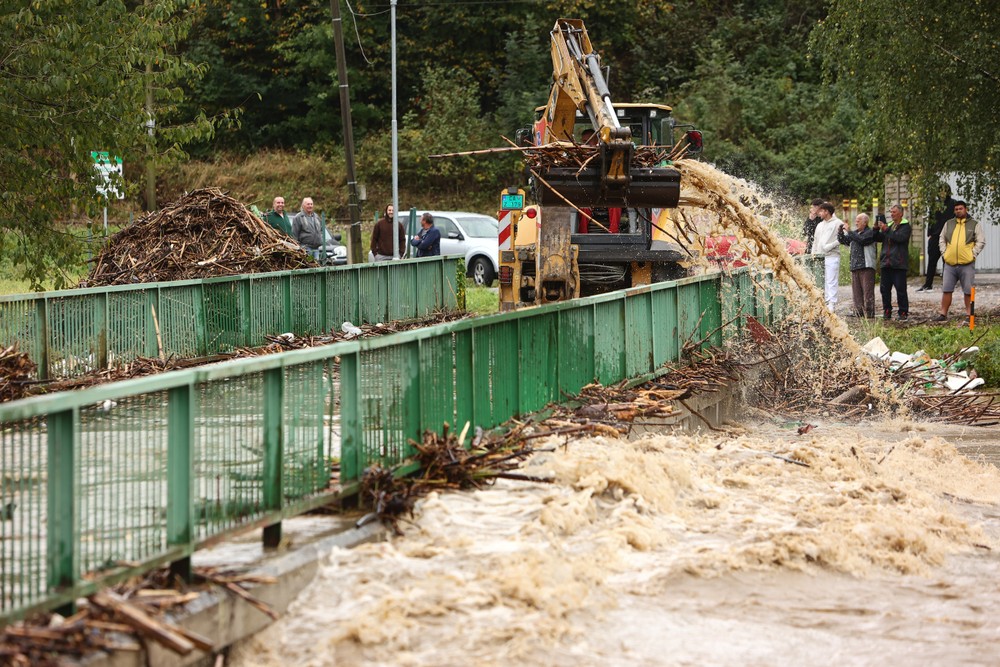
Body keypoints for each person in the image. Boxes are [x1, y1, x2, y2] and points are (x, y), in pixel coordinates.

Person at [936, 200, 986, 322]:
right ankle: (943, 314)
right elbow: (941, 239)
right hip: (950, 263)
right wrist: (944, 253)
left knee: (968, 291)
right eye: (956, 209)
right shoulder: (949, 223)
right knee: (946, 289)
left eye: (961, 208)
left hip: (967, 264)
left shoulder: (974, 224)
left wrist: (972, 254)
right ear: (954, 211)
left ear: (966, 209)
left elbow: (981, 241)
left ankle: (970, 315)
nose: (958, 211)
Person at [873, 204, 911, 321]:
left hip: (899, 263)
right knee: (884, 289)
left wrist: (886, 229)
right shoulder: (889, 226)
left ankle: (903, 312)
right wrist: (875, 229)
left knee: (900, 289)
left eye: (894, 212)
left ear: (901, 213)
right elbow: (878, 238)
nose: (891, 214)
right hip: (886, 262)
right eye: (891, 212)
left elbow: (899, 238)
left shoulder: (905, 226)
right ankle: (887, 310)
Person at [838, 212, 877, 317]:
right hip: (855, 266)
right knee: (857, 292)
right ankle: (858, 312)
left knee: (867, 291)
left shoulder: (870, 233)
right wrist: (840, 232)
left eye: (858, 221)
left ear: (865, 222)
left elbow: (862, 240)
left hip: (866, 266)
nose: (856, 223)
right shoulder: (854, 233)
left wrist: (850, 231)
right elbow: (844, 241)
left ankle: (869, 312)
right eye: (855, 221)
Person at [916, 190, 956, 292]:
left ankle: (947, 284)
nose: (942, 193)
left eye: (944, 191)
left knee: (946, 261)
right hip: (935, 237)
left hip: (947, 237)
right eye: (940, 191)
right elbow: (931, 219)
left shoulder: (953, 204)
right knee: (931, 262)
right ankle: (928, 284)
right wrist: (929, 233)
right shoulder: (935, 204)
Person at [811, 202, 843, 312]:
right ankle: (824, 302)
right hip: (820, 256)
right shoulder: (820, 225)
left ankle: (832, 303)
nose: (819, 213)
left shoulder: (838, 223)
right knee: (822, 280)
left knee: (831, 280)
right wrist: (813, 253)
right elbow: (815, 241)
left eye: (821, 211)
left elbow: (843, 238)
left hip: (832, 256)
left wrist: (829, 246)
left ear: (827, 212)